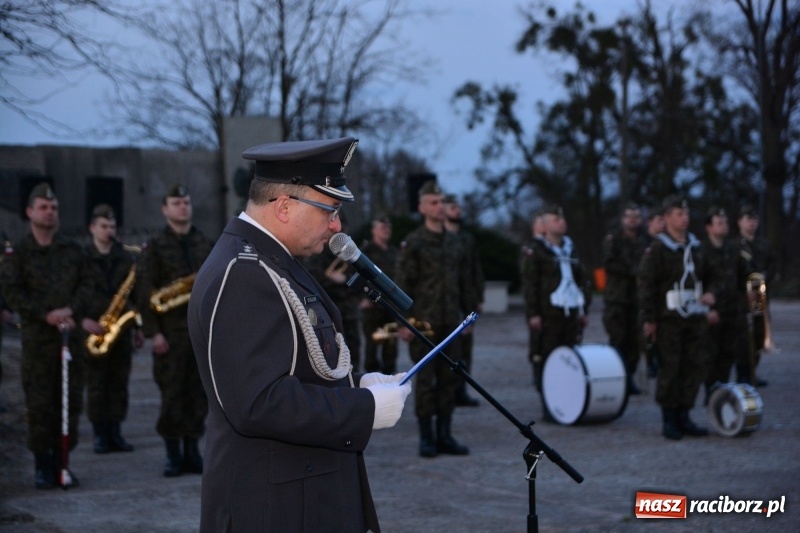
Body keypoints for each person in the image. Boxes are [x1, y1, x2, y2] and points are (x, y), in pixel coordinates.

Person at [188, 137, 411, 533]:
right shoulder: (244, 273)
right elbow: (258, 401)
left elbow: (292, 366)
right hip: (276, 508)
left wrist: (355, 386)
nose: (337, 224)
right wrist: (363, 409)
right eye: (329, 209)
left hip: (300, 496)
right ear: (285, 207)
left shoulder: (271, 259)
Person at [0, 183, 95, 489]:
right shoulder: (18, 253)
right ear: (30, 212)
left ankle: (62, 463)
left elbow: (86, 286)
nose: (49, 212)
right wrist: (46, 314)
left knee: (69, 403)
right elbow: (12, 293)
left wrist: (70, 310)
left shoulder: (73, 251)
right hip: (38, 342)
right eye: (43, 207)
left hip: (69, 341)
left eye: (53, 208)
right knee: (40, 405)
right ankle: (42, 466)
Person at [395, 181, 475, 458]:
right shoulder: (414, 243)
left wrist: (469, 315)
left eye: (441, 201)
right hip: (423, 324)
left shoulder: (456, 242)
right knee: (427, 380)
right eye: (433, 202)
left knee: (449, 379)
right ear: (421, 207)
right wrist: (405, 322)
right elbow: (402, 284)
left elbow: (464, 281)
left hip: (451, 321)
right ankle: (426, 437)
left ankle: (445, 434)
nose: (439, 206)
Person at [139, 184, 214, 477]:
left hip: (200, 334)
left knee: (197, 395)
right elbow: (145, 292)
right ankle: (172, 455)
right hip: (169, 335)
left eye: (186, 201)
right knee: (171, 395)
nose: (182, 206)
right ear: (165, 209)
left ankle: (192, 452)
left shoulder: (205, 243)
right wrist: (153, 332)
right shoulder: (155, 247)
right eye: (176, 202)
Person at [639, 194, 717, 440]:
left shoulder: (696, 246)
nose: (685, 218)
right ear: (666, 218)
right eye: (678, 214)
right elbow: (647, 285)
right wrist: (650, 319)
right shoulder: (658, 249)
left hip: (694, 317)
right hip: (668, 319)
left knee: (693, 366)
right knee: (671, 368)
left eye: (686, 214)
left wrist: (712, 294)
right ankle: (669, 418)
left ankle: (685, 415)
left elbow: (711, 275)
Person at [84, 204, 144, 454]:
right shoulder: (82, 257)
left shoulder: (126, 257)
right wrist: (83, 320)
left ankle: (116, 432)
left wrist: (138, 327)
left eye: (112, 226)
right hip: (92, 327)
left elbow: (137, 295)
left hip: (121, 329)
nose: (109, 231)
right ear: (92, 228)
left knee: (119, 382)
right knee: (97, 384)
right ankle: (100, 434)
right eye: (103, 226)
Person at [520, 204, 591, 406]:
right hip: (548, 315)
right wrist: (533, 314)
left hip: (570, 314)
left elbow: (582, 281)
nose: (562, 223)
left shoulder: (570, 248)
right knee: (547, 358)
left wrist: (583, 308)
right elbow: (530, 284)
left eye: (563, 219)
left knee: (570, 356)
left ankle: (568, 399)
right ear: (545, 225)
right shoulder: (536, 252)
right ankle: (549, 402)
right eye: (556, 220)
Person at [700, 207, 751, 399]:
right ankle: (710, 390)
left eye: (726, 222)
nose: (724, 226)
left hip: (733, 310)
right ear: (708, 227)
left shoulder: (733, 249)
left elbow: (744, 275)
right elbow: (698, 283)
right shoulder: (701, 252)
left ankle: (722, 390)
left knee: (728, 353)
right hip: (713, 312)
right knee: (710, 354)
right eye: (719, 223)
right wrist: (705, 309)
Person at [304, 214, 362, 372]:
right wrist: (330, 278)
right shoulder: (318, 252)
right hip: (327, 313)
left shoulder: (351, 251)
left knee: (353, 356)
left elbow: (362, 278)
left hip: (349, 312)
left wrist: (345, 279)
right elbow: (311, 281)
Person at [602, 203, 647, 396]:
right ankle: (617, 378)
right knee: (618, 339)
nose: (632, 220)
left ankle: (629, 376)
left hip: (636, 298)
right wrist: (634, 270)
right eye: (629, 216)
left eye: (636, 216)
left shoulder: (644, 240)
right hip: (617, 298)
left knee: (635, 341)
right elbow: (610, 263)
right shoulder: (613, 239)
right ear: (623, 219)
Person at [443, 194, 484, 407]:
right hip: (447, 300)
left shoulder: (467, 239)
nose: (457, 211)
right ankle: (448, 392)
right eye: (452, 207)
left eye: (458, 207)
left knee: (466, 347)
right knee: (450, 349)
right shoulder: (441, 239)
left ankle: (462, 390)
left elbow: (475, 269)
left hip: (466, 298)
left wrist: (478, 297)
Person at [735, 205, 778, 386]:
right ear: (740, 222)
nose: (751, 223)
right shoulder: (734, 246)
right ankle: (743, 374)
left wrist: (764, 279)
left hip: (760, 295)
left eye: (753, 220)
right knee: (744, 337)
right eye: (747, 219)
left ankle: (752, 372)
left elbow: (773, 265)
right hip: (743, 298)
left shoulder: (764, 245)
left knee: (760, 334)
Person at [360, 215, 399, 375]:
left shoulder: (394, 252)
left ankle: (389, 379)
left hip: (390, 305)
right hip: (372, 306)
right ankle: (373, 380)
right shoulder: (366, 252)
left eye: (388, 228)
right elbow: (355, 275)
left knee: (390, 346)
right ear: (373, 230)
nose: (386, 231)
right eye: (382, 228)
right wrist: (361, 298)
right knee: (372, 345)